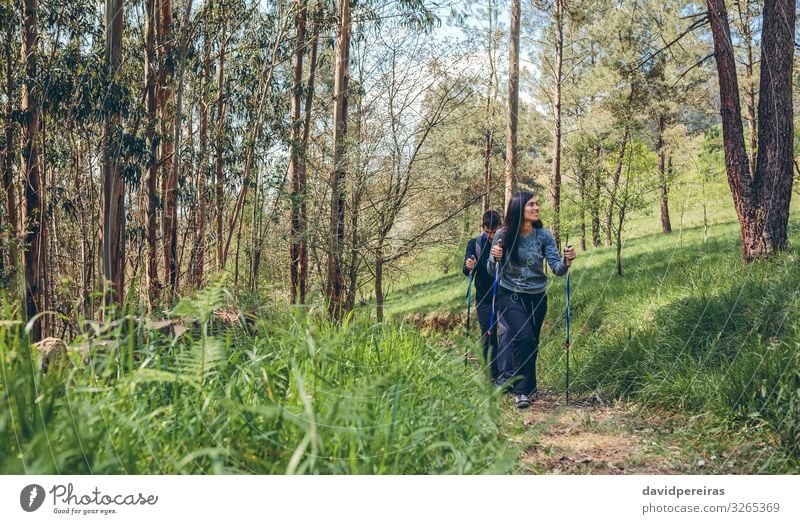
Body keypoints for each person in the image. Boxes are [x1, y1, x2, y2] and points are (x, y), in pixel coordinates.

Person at [487, 192, 576, 409]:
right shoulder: (502, 235)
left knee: (532, 343)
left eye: (537, 205)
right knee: (523, 338)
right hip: (510, 296)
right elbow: (491, 271)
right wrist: (494, 257)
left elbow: (557, 269)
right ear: (519, 208)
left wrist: (566, 260)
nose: (536, 208)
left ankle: (530, 386)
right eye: (531, 205)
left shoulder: (543, 235)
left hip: (537, 297)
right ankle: (521, 392)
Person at [462, 210, 506, 382]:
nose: (490, 236)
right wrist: (468, 265)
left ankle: (505, 374)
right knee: (488, 335)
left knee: (505, 336)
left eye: (494, 232)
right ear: (483, 228)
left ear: (500, 227)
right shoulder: (474, 244)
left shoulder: (506, 243)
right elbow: (466, 271)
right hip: (484, 299)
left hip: (505, 296)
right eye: (488, 232)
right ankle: (491, 375)